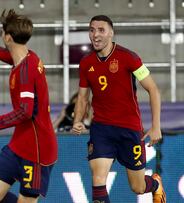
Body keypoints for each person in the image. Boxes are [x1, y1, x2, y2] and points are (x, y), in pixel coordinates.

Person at [0, 9, 58, 203]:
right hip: (19, 144)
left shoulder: (26, 71)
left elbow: (24, 112)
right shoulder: (28, 56)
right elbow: (8, 56)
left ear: (7, 37)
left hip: (38, 151)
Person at [71, 15, 166, 203]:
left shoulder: (129, 58)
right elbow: (83, 97)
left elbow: (153, 89)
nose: (95, 35)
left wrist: (156, 126)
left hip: (129, 129)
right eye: (91, 30)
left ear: (111, 33)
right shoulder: (86, 63)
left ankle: (154, 184)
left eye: (101, 30)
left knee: (137, 187)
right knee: (98, 179)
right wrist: (77, 121)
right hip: (101, 129)